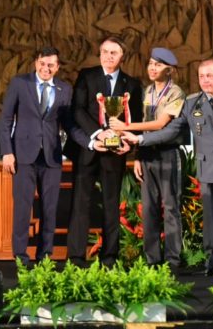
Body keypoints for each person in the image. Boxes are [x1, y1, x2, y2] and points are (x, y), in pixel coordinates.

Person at [122, 59, 213, 275]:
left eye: (210, 76)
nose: (205, 80)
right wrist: (140, 139)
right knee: (211, 224)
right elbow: (171, 131)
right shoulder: (192, 103)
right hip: (208, 171)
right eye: (201, 76)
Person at [0, 47, 91, 265]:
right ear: (36, 63)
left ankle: (45, 258)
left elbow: (69, 124)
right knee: (23, 209)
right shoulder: (20, 83)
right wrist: (7, 152)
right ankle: (21, 258)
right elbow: (5, 119)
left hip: (51, 157)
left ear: (57, 67)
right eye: (42, 64)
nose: (46, 68)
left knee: (49, 210)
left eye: (51, 65)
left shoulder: (64, 89)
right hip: (23, 156)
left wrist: (91, 142)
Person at [66, 36, 143, 266]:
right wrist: (98, 134)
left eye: (114, 52)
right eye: (105, 52)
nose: (108, 56)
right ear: (99, 53)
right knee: (80, 204)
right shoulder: (87, 76)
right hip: (87, 151)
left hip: (115, 154)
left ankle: (109, 258)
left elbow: (135, 120)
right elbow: (77, 110)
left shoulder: (132, 84)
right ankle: (76, 257)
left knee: (111, 206)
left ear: (122, 56)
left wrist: (128, 143)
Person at [109, 47, 185, 269]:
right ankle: (152, 258)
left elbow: (161, 124)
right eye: (151, 63)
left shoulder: (176, 92)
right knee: (149, 208)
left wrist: (126, 127)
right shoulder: (147, 91)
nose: (152, 68)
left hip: (168, 154)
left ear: (169, 70)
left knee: (170, 208)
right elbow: (143, 129)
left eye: (158, 65)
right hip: (147, 153)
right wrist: (138, 157)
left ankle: (172, 259)